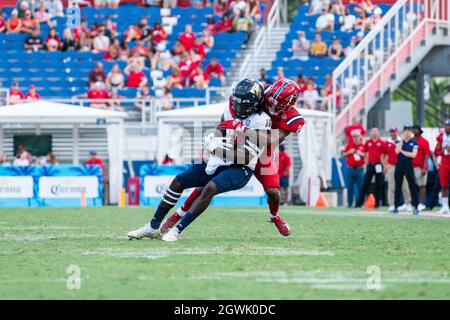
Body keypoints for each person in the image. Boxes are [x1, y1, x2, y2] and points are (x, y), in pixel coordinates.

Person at [127, 79, 271, 242]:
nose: (237, 107)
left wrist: (215, 148)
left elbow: (246, 156)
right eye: (235, 102)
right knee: (179, 181)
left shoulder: (263, 120)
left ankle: (177, 230)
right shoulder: (231, 107)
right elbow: (222, 129)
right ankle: (152, 227)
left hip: (241, 169)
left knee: (209, 188)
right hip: (221, 159)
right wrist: (215, 139)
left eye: (241, 104)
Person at [161, 79, 304, 237]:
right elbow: (233, 107)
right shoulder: (261, 91)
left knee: (273, 192)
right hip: (240, 143)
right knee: (207, 182)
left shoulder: (294, 118)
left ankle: (275, 216)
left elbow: (272, 139)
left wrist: (243, 128)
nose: (271, 107)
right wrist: (217, 139)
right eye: (269, 102)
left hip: (263, 151)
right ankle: (177, 215)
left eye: (277, 106)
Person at [390, 126, 419, 215]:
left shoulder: (414, 142)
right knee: (397, 186)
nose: (407, 133)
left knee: (412, 185)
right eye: (406, 131)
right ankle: (396, 206)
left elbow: (413, 155)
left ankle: (415, 206)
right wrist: (402, 141)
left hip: (408, 165)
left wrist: (402, 151)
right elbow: (396, 151)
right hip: (399, 164)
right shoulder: (399, 142)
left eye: (409, 131)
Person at [355, 128, 386, 208]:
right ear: (371, 133)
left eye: (376, 131)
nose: (374, 133)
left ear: (378, 133)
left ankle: (377, 204)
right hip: (370, 164)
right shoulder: (368, 142)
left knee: (378, 185)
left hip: (378, 164)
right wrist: (366, 162)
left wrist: (384, 166)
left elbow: (383, 155)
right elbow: (365, 152)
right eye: (373, 131)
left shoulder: (381, 142)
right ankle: (359, 204)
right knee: (365, 184)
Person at [384, 127, 412, 211]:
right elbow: (383, 155)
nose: (392, 133)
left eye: (394, 132)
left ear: (397, 132)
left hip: (402, 165)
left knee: (405, 185)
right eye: (391, 132)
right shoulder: (387, 142)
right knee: (391, 185)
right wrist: (385, 165)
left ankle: (408, 203)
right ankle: (391, 204)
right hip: (392, 166)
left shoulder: (402, 141)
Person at [342, 131, 365, 208]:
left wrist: (361, 154)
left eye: (357, 136)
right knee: (350, 187)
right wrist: (349, 152)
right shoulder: (349, 146)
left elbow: (366, 155)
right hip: (350, 169)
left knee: (360, 187)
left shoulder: (363, 145)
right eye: (354, 136)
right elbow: (343, 154)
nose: (355, 138)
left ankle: (359, 203)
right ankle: (349, 203)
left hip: (359, 169)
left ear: (360, 137)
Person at [412, 124, 430, 211]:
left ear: (419, 130)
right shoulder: (411, 140)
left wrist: (424, 167)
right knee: (412, 185)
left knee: (422, 185)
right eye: (413, 129)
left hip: (420, 167)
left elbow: (427, 155)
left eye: (416, 129)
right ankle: (415, 203)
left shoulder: (424, 141)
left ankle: (422, 204)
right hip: (412, 166)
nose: (414, 131)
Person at [435, 120, 450, 214]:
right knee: (444, 185)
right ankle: (445, 206)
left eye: (449, 125)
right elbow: (438, 148)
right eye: (446, 125)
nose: (448, 127)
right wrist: (441, 147)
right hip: (444, 162)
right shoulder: (441, 136)